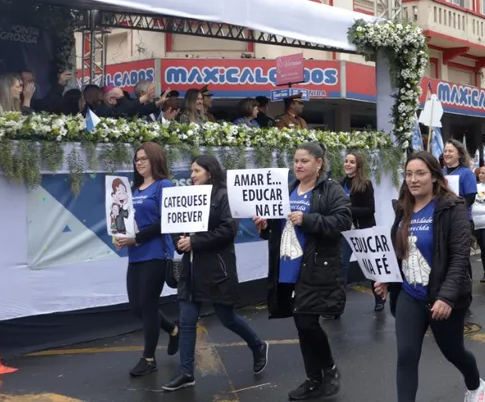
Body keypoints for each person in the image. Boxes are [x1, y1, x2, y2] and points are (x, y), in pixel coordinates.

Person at [374, 151, 485, 402]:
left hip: (442, 297)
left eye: (420, 174)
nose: (413, 180)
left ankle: (475, 384)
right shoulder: (403, 208)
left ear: (435, 177)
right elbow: (402, 250)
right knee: (406, 356)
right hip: (409, 295)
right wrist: (387, 278)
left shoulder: (452, 207)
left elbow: (459, 257)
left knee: (453, 352)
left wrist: (446, 298)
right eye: (409, 174)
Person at [253, 142, 352, 400]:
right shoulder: (288, 190)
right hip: (287, 268)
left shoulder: (330, 189)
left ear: (319, 163)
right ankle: (314, 379)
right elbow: (278, 229)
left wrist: (307, 219)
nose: (298, 165)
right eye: (296, 160)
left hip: (315, 268)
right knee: (301, 323)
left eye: (304, 161)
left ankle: (327, 370)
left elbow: (343, 220)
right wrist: (265, 227)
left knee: (307, 321)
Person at [163, 155, 268, 392]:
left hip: (217, 270)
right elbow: (175, 226)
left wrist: (195, 242)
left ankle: (258, 345)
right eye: (191, 171)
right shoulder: (187, 196)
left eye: (196, 171)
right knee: (187, 321)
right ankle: (186, 372)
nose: (191, 175)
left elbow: (228, 230)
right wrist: (179, 240)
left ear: (210, 173)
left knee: (227, 317)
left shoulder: (223, 196)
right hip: (191, 271)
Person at [112, 142, 180, 377]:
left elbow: (165, 222)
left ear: (155, 160)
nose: (139, 162)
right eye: (136, 159)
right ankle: (173, 329)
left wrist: (136, 238)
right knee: (136, 307)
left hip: (157, 253)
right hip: (136, 254)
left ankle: (149, 359)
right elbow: (126, 220)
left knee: (149, 305)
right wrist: (120, 236)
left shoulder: (164, 185)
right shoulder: (133, 189)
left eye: (144, 158)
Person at [337, 151, 384, 314]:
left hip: (364, 231)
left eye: (352, 162)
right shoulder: (339, 183)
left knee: (371, 267)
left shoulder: (365, 184)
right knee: (341, 267)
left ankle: (379, 299)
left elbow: (370, 210)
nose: (348, 164)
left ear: (358, 166)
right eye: (346, 161)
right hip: (346, 232)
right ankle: (338, 305)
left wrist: (348, 210)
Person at [441, 140, 477, 218]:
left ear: (459, 155)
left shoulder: (467, 173)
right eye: (445, 151)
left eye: (450, 151)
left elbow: (470, 197)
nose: (447, 154)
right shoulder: (440, 173)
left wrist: (457, 209)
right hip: (443, 218)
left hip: (461, 217)